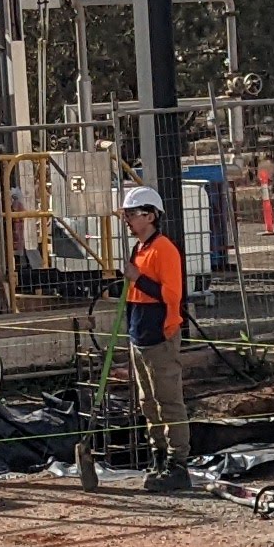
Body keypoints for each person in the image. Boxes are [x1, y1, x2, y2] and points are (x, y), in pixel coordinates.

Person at [116, 184, 194, 492]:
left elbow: (170, 295)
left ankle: (177, 463)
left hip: (159, 335)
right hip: (140, 334)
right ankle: (158, 457)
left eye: (132, 214)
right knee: (148, 401)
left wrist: (138, 279)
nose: (128, 220)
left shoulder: (164, 249)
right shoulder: (140, 249)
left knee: (168, 401)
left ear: (150, 215)